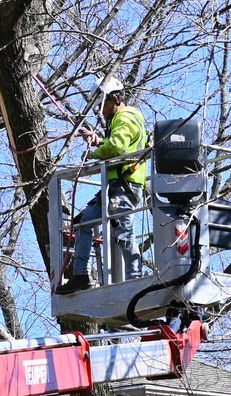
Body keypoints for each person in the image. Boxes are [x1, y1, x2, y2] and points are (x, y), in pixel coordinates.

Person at [58, 77, 150, 293]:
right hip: (115, 187)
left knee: (124, 233)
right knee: (83, 222)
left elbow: (117, 147)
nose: (102, 110)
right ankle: (81, 275)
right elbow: (117, 143)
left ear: (114, 98)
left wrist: (94, 153)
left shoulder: (125, 117)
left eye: (103, 104)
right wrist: (99, 140)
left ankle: (135, 280)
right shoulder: (122, 120)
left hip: (124, 188)